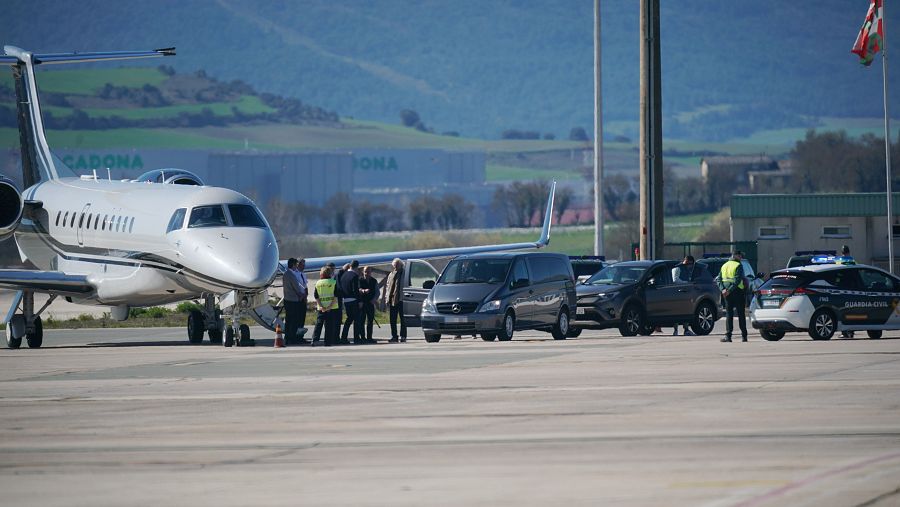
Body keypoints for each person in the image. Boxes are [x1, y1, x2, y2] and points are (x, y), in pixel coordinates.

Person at [717, 250, 748, 342]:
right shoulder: (738, 265)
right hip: (737, 291)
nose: (741, 258)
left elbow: (718, 279)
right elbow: (738, 280)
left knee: (729, 314)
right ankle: (744, 336)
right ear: (736, 256)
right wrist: (729, 290)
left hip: (726, 293)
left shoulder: (724, 265)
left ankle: (728, 336)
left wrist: (723, 289)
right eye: (740, 256)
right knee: (741, 314)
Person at [283, 258, 309, 345]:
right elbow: (296, 288)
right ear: (294, 265)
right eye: (298, 264)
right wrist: (302, 296)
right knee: (293, 321)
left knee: (290, 320)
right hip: (294, 300)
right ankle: (292, 338)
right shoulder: (292, 274)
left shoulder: (287, 274)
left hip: (290, 300)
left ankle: (290, 337)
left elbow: (304, 285)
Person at [312, 266, 339, 346]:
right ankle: (328, 341)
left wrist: (322, 306)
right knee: (329, 326)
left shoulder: (318, 283)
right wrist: (329, 307)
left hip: (321, 308)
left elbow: (316, 296)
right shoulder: (333, 282)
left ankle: (315, 340)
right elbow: (335, 296)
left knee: (319, 324)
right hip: (331, 308)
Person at [340, 260, 364, 344]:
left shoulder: (344, 275)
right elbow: (355, 290)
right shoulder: (354, 276)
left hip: (346, 300)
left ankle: (343, 337)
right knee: (357, 320)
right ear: (357, 267)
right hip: (353, 300)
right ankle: (356, 338)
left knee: (349, 319)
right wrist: (360, 300)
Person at [671, 255, 696, 336]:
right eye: (689, 263)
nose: (690, 265)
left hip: (685, 293)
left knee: (686, 311)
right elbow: (675, 280)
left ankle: (686, 329)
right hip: (677, 293)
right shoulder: (677, 268)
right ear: (685, 261)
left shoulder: (688, 270)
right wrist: (685, 283)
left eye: (691, 264)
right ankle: (676, 330)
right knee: (677, 312)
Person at [383, 258, 407, 343]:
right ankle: (394, 336)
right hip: (392, 299)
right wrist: (387, 298)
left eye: (397, 265)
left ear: (401, 265)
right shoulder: (391, 274)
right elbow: (388, 287)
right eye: (394, 265)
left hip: (401, 299)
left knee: (403, 319)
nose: (396, 267)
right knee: (392, 319)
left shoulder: (404, 273)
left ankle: (403, 336)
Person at [359, 265, 379, 344]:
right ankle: (363, 337)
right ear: (363, 272)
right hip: (362, 303)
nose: (367, 273)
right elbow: (357, 289)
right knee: (362, 321)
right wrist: (363, 291)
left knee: (370, 321)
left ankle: (369, 337)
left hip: (370, 303)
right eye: (365, 271)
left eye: (368, 272)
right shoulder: (359, 280)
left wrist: (374, 300)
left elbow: (377, 292)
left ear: (371, 272)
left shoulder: (374, 281)